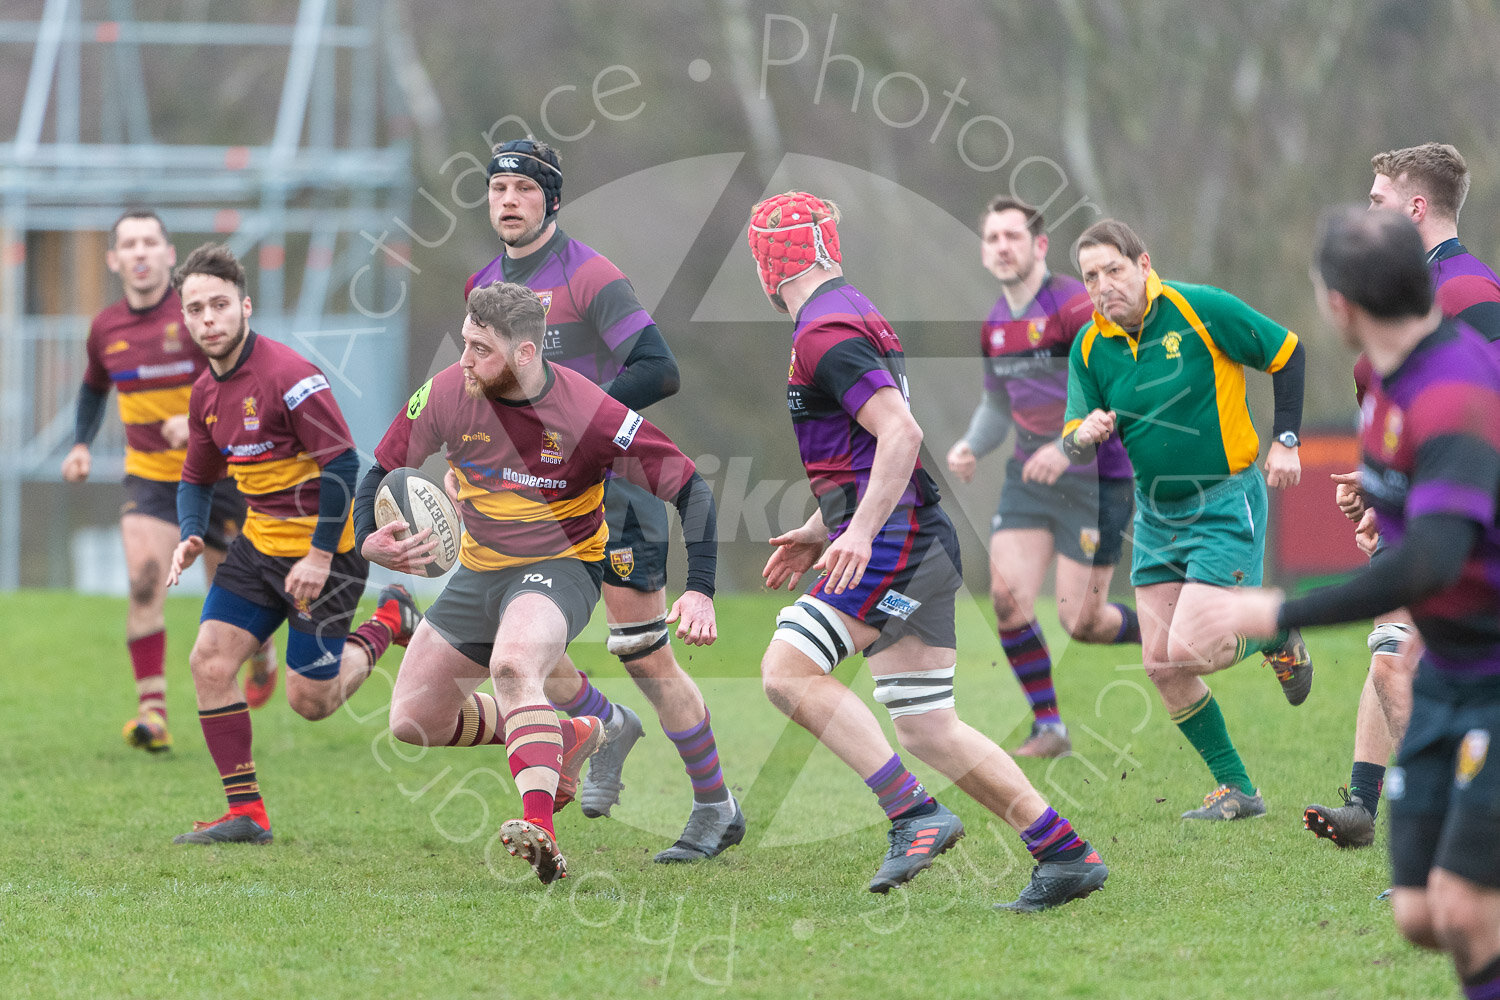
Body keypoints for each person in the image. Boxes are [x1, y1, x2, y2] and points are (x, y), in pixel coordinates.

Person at [749, 190, 1109, 911]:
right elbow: (866, 452)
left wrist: (856, 531)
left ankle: (912, 813)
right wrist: (826, 525)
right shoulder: (852, 310)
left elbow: (901, 434)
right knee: (927, 726)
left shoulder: (822, 329)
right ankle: (1065, 853)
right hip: (912, 532)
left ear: (770, 259)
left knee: (786, 672)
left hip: (894, 541)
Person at [1205, 207, 1500, 1000]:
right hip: (1451, 667)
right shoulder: (1384, 381)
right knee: (1418, 913)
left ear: (1338, 303)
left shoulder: (1457, 389)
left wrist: (1280, 613)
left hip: (1490, 669)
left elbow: (1432, 561)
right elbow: (1424, 500)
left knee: (1466, 911)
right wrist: (1378, 502)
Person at [355, 281, 723, 884]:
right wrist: (367, 537)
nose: (465, 360)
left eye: (481, 350)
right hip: (480, 570)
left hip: (561, 567)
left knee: (513, 666)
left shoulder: (589, 413)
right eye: (465, 343)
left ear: (526, 353)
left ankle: (540, 830)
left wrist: (701, 588)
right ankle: (567, 733)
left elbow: (692, 488)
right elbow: (382, 468)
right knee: (413, 719)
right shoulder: (448, 390)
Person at [464, 138, 742, 862]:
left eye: (525, 189)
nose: (509, 201)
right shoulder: (483, 285)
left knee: (644, 656)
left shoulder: (588, 275)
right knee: (518, 650)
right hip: (528, 500)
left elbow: (658, 368)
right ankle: (604, 724)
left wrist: (578, 425)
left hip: (611, 493)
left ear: (553, 200)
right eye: (498, 189)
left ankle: (716, 806)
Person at [165, 243, 419, 845]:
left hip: (327, 551)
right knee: (208, 662)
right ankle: (246, 813)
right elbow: (195, 479)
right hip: (259, 549)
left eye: (219, 304)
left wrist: (319, 556)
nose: (208, 319)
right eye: (196, 309)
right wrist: (191, 532)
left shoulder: (290, 377)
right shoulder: (205, 394)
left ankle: (391, 618)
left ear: (245, 306)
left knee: (311, 701)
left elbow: (342, 466)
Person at [1061, 218, 1313, 821]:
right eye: (1090, 277)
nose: (1103, 285)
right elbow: (1070, 435)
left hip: (1225, 502)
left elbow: (1288, 352)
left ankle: (1276, 632)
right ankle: (1238, 791)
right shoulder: (1089, 347)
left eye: (1113, 269)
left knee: (1195, 650)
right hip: (1155, 515)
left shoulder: (1200, 309)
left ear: (1144, 264)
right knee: (1159, 663)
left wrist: (1286, 439)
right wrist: (1083, 433)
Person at [1306, 142, 1500, 850]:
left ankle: (1452, 842)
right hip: (1422, 512)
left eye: (1378, 201)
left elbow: (1480, 416)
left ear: (1416, 208)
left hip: (1463, 528)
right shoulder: (1409, 293)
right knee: (1389, 658)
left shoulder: (1468, 291)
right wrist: (1379, 488)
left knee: (1396, 662)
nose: (1368, 212)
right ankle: (1365, 805)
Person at [62, 210, 277, 754]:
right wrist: (81, 443)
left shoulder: (196, 316)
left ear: (168, 254)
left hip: (221, 474)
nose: (139, 252)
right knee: (143, 581)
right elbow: (92, 388)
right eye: (128, 244)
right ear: (113, 259)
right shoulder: (105, 328)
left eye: (149, 242)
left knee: (232, 596)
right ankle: (152, 712)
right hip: (152, 477)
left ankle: (262, 652)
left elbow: (242, 374)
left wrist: (197, 418)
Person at [945, 196, 1140, 758]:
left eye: (1013, 236)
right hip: (1029, 474)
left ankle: (1173, 634)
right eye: (993, 238)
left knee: (1082, 621)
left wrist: (1066, 446)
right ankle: (1048, 726)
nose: (1002, 247)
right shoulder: (995, 325)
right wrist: (971, 443)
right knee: (1007, 600)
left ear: (1040, 245)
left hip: (1096, 477)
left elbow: (1120, 387)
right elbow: (997, 405)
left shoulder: (1074, 307)